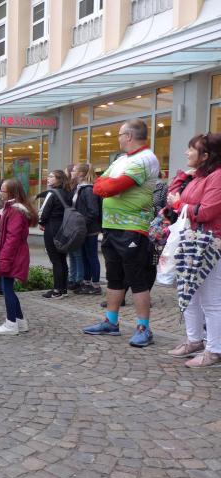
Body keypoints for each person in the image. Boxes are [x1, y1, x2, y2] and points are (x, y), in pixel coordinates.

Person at [83, 119, 159, 347]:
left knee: (137, 279)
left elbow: (111, 187)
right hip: (112, 227)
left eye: (119, 134)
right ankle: (111, 321)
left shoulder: (145, 158)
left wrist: (106, 186)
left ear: (129, 136)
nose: (117, 138)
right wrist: (104, 186)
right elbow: (98, 184)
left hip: (133, 228)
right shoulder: (121, 160)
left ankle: (143, 328)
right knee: (114, 277)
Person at [166, 133, 221, 367]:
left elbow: (206, 211)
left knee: (211, 299)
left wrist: (180, 205)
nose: (187, 152)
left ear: (206, 155)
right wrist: (182, 177)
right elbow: (172, 198)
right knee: (189, 294)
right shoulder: (199, 176)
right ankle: (194, 340)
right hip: (191, 241)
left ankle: (215, 350)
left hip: (210, 243)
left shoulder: (217, 177)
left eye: (191, 149)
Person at [0, 179, 38, 335]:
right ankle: (20, 322)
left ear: (10, 193)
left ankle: (11, 323)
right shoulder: (12, 208)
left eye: (2, 190)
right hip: (14, 254)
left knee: (7, 289)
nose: (0, 193)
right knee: (7, 288)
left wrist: (4, 259)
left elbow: (12, 237)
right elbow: (5, 227)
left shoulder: (15, 210)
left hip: (13, 255)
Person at [38, 169, 73, 299]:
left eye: (52, 176)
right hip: (64, 229)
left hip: (52, 228)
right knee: (62, 259)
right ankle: (63, 289)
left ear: (59, 179)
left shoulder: (52, 193)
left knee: (56, 260)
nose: (48, 178)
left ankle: (57, 290)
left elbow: (45, 212)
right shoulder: (67, 193)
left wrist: (41, 222)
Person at [71, 163, 102, 295]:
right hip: (83, 230)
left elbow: (93, 211)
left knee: (91, 256)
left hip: (89, 230)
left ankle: (95, 285)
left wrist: (81, 223)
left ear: (81, 174)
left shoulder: (88, 189)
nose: (71, 172)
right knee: (84, 256)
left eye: (74, 170)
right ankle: (87, 283)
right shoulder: (79, 188)